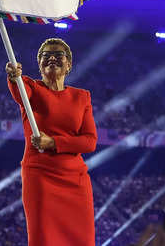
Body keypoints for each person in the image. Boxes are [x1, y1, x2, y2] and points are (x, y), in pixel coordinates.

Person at [6, 37, 97, 246]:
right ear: (39, 64)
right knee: (43, 239)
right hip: (40, 178)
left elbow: (90, 141)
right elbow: (18, 90)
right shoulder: (31, 88)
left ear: (69, 64)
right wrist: (14, 77)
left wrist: (53, 143)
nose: (52, 58)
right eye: (45, 56)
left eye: (58, 55)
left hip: (76, 181)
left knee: (81, 241)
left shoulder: (82, 97)